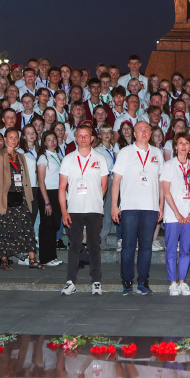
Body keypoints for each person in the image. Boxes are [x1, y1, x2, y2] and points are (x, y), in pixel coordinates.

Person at [111, 120, 163, 295]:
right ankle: (127, 281)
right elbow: (116, 181)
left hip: (150, 207)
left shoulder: (157, 153)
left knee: (146, 246)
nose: (143, 132)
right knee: (128, 246)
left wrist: (161, 206)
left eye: (146, 129)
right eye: (140, 129)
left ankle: (143, 282)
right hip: (129, 207)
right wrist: (114, 206)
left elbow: (162, 182)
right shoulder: (125, 153)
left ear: (150, 133)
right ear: (134, 134)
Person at [58, 123, 110, 295]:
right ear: (75, 138)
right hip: (74, 209)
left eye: (86, 135)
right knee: (74, 246)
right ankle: (70, 281)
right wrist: (64, 211)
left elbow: (104, 186)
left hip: (94, 209)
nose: (83, 138)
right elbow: (61, 187)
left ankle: (96, 281)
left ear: (92, 138)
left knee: (94, 246)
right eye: (80, 135)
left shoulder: (100, 158)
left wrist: (94, 199)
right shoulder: (68, 159)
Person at [0, 127, 37, 269]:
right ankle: (4, 261)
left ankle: (32, 260)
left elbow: (25, 176)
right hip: (5, 197)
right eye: (11, 137)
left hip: (20, 195)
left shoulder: (20, 156)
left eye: (16, 137)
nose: (14, 140)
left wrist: (28, 196)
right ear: (5, 139)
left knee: (27, 226)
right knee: (4, 228)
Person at [160, 134, 190, 295]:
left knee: (185, 249)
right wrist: (177, 214)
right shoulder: (169, 165)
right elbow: (166, 191)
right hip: (172, 215)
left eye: (187, 143)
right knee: (171, 249)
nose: (184, 146)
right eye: (180, 143)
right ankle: (172, 282)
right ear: (175, 146)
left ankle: (182, 281)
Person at [35, 131, 64, 267]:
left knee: (55, 225)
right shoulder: (43, 157)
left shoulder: (58, 155)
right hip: (47, 193)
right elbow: (41, 181)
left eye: (54, 139)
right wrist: (46, 201)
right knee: (47, 225)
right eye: (48, 139)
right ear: (44, 142)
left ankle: (52, 256)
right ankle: (45, 258)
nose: (52, 142)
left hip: (57, 192)